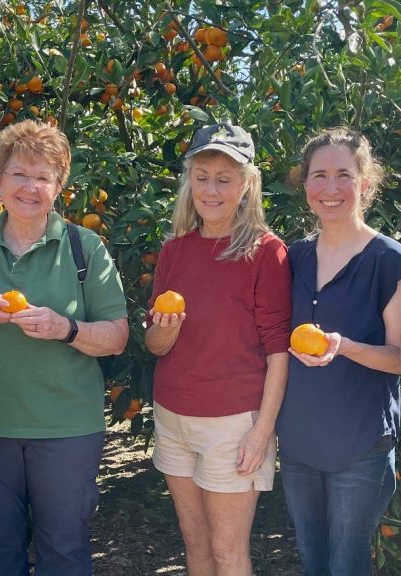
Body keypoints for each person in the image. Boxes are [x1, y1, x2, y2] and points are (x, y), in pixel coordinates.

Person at [0, 119, 128, 576]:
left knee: (65, 549)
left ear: (59, 186)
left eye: (43, 177)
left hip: (65, 429)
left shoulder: (83, 247)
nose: (30, 187)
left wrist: (65, 328)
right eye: (19, 174)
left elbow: (116, 335)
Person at [145, 123, 291, 576]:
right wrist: (167, 330)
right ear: (190, 181)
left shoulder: (267, 252)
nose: (211, 190)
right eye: (202, 177)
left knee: (228, 551)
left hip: (233, 424)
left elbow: (279, 349)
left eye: (224, 179)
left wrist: (262, 431)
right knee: (195, 541)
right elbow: (155, 344)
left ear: (246, 184)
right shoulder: (174, 251)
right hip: (173, 415)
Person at [276, 128, 401, 575]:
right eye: (319, 175)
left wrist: (346, 347)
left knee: (346, 564)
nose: (330, 188)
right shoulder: (294, 257)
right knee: (313, 560)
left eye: (344, 175)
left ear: (365, 183)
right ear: (305, 185)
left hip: (360, 445)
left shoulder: (387, 261)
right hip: (298, 442)